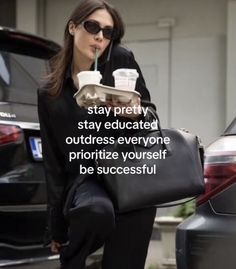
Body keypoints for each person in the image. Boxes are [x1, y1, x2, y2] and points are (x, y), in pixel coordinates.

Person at [38, 0, 156, 268]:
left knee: (132, 232)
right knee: (96, 211)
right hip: (84, 178)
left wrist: (135, 114)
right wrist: (55, 226)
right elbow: (53, 160)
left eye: (108, 31)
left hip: (127, 172)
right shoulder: (50, 92)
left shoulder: (121, 60)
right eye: (92, 27)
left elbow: (150, 117)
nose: (100, 36)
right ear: (72, 27)